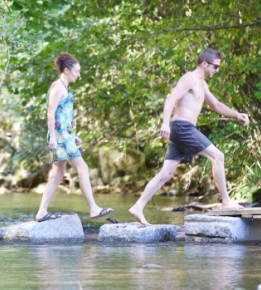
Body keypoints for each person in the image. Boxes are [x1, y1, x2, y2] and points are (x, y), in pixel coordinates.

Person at [129, 48, 249, 226]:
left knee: (166, 173)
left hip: (183, 129)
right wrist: (164, 123)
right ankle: (226, 201)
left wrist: (237, 114)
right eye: (215, 67)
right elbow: (170, 99)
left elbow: (216, 105)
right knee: (218, 156)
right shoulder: (190, 78)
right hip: (181, 127)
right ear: (204, 63)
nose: (217, 71)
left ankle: (138, 207)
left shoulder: (202, 84)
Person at [35, 53, 114, 222]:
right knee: (82, 167)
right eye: (76, 71)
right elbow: (50, 113)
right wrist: (53, 138)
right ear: (66, 70)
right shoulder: (57, 87)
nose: (79, 75)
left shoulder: (64, 87)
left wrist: (73, 135)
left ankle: (41, 212)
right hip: (60, 137)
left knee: (58, 173)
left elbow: (61, 115)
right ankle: (93, 209)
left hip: (64, 135)